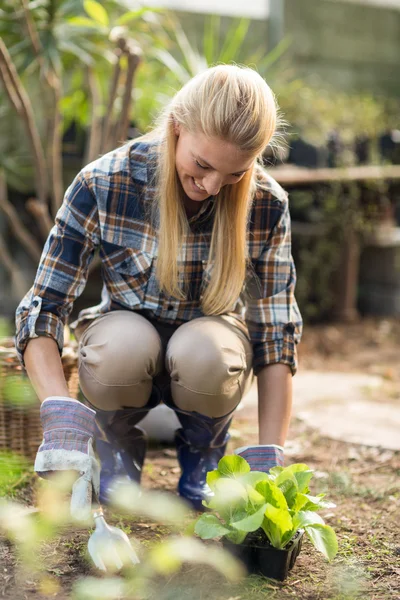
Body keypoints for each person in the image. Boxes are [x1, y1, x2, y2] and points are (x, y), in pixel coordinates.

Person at [15, 65, 302, 516]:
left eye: (234, 174)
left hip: (207, 344)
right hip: (125, 339)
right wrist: (60, 414)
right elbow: (44, 306)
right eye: (203, 165)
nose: (211, 187)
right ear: (176, 128)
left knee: (206, 354)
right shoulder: (104, 183)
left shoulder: (267, 203)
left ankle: (204, 453)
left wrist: (271, 455)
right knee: (119, 350)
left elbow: (276, 332)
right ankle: (116, 451)